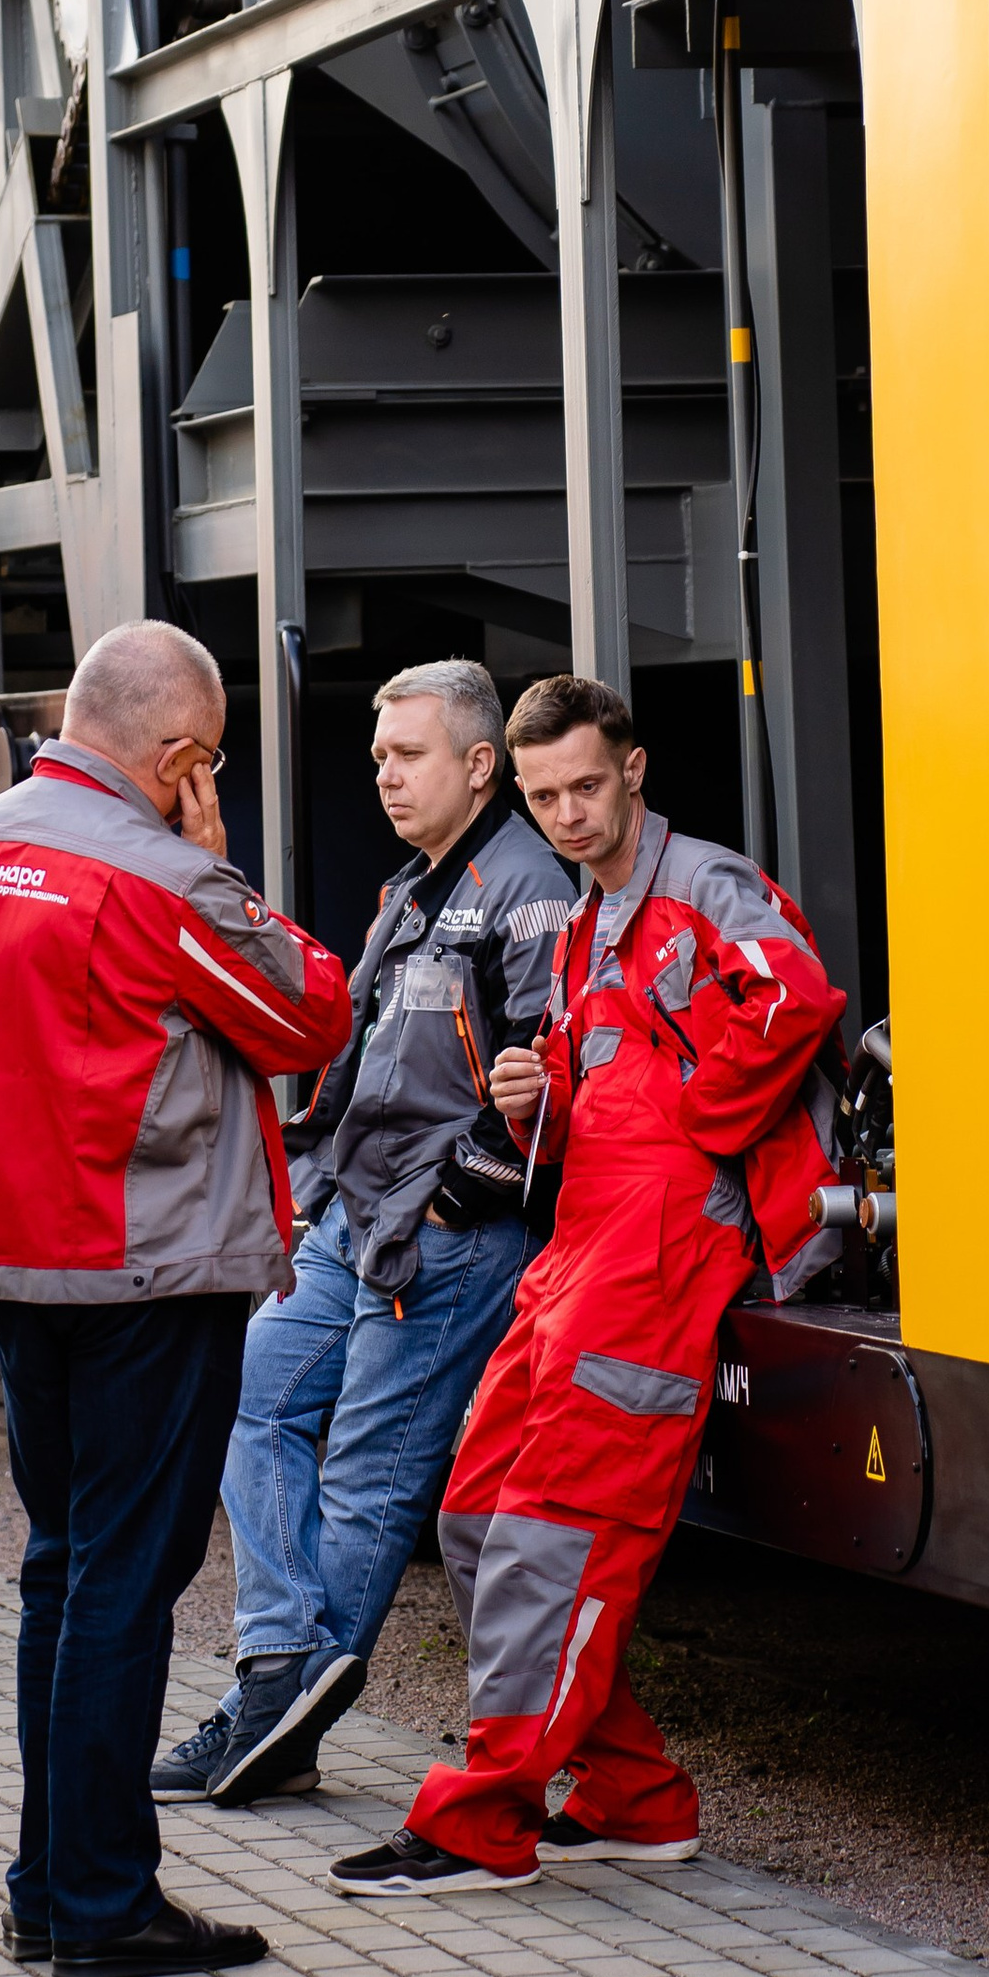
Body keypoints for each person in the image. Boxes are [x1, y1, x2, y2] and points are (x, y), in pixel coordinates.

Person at [330, 673, 845, 1899]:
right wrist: (536, 1093)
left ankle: (479, 1822)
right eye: (545, 794)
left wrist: (686, 1120)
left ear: (633, 770)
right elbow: (588, 1076)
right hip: (581, 1240)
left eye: (585, 786)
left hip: (661, 1248)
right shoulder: (578, 921)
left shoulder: (705, 886)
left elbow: (796, 1000)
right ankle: (631, 1797)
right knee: (473, 1517)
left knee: (552, 1532)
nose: (566, 814)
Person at [0, 618, 350, 1977]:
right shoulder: (158, 880)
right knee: (126, 1587)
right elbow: (309, 1015)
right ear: (185, 757)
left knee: (60, 1565)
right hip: (149, 1273)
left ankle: (45, 1886)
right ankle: (98, 1901)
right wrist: (217, 868)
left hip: (12, 1265)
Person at [154, 658, 574, 1809]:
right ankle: (279, 1663)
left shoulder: (530, 887)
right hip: (353, 1214)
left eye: (409, 756)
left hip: (442, 1235)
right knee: (255, 1401)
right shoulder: (413, 889)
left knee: (365, 1475)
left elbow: (552, 1071)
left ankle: (267, 1723)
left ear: (480, 764)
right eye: (379, 757)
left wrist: (459, 1197)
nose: (385, 777)